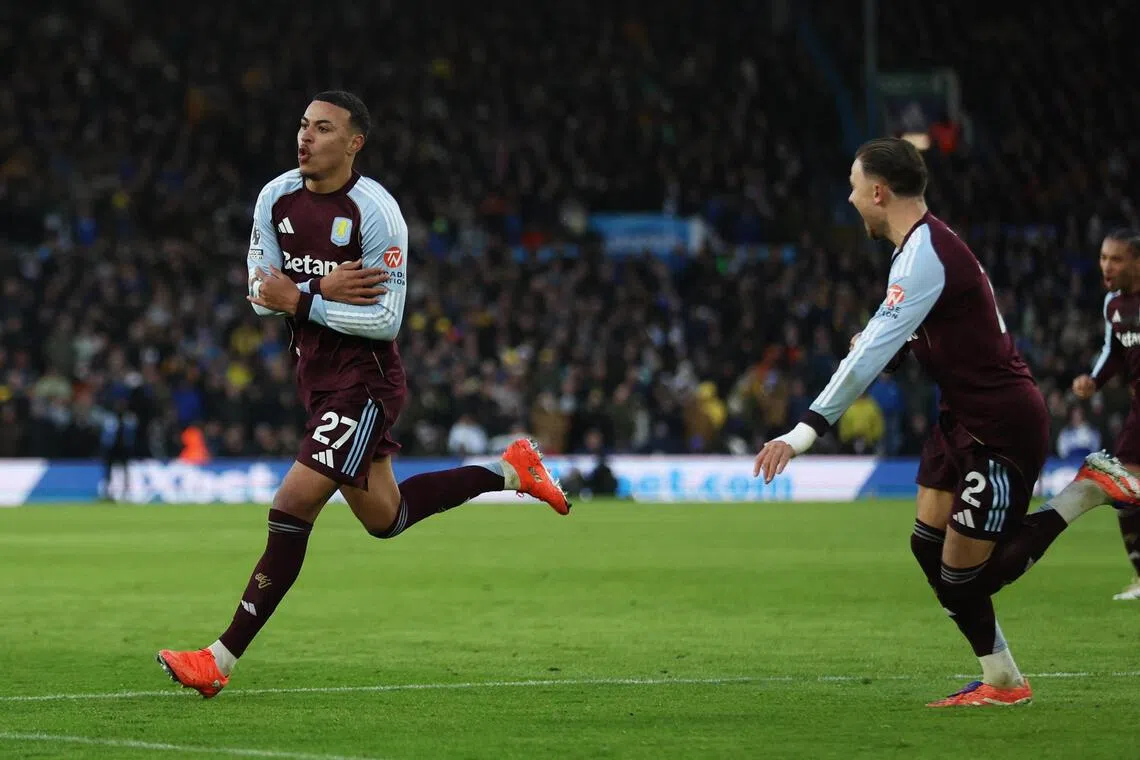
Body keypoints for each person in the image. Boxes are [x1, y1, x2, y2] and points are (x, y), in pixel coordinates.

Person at [157, 91, 570, 698]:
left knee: (292, 505)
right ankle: (509, 471)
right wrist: (318, 285)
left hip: (365, 382)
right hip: (316, 378)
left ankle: (218, 660)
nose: (306, 137)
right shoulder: (275, 198)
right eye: (302, 125)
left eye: (323, 129)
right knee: (386, 517)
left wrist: (299, 298)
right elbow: (256, 291)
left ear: (354, 144)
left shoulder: (377, 213)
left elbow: (386, 320)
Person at [753, 138, 1140, 707]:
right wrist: (898, 340)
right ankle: (1002, 679)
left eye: (856, 187)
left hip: (1002, 424)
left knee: (965, 578)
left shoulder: (925, 252)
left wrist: (803, 431)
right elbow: (931, 330)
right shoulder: (920, 249)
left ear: (879, 192)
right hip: (958, 416)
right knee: (925, 547)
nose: (852, 198)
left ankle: (1084, 493)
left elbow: (868, 357)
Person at [1072, 229, 1140, 600]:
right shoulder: (1113, 305)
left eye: (1115, 259)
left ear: (1137, 262)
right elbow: (1113, 350)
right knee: (1125, 493)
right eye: (1102, 257)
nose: (1106, 266)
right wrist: (1093, 380)